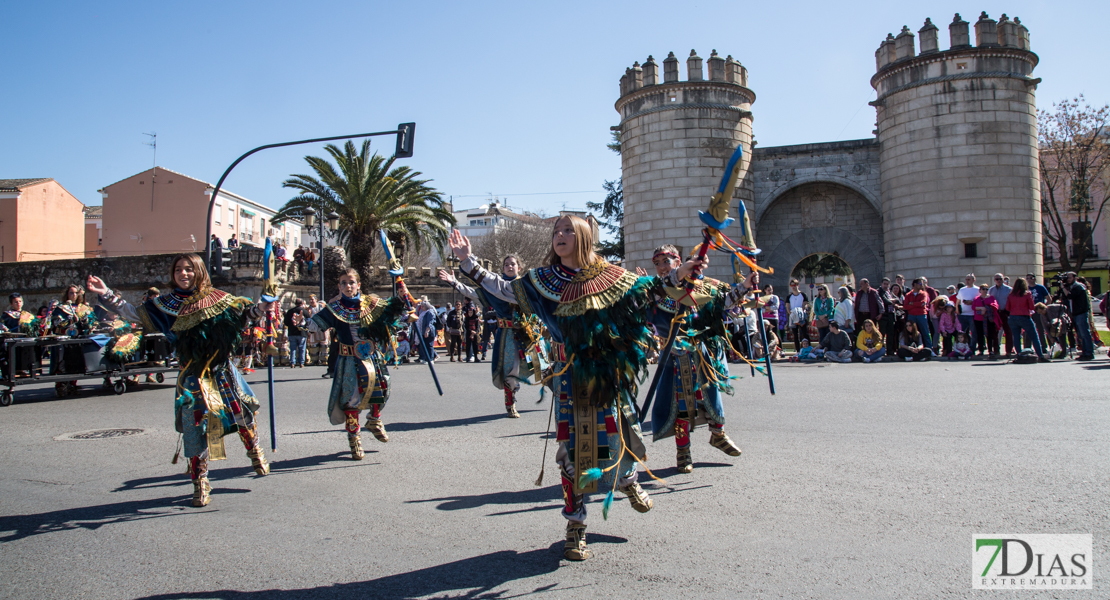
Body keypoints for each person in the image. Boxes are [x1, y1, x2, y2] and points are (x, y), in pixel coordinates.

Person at [449, 215, 658, 561]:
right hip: (569, 378)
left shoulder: (613, 276)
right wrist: (468, 263)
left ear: (584, 237)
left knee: (619, 434)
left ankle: (627, 478)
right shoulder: (542, 280)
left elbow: (650, 298)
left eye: (567, 231)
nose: (559, 236)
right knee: (572, 453)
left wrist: (683, 276)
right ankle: (575, 526)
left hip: (607, 374)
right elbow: (503, 290)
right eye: (556, 232)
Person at [88, 254, 271, 507]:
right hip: (191, 376)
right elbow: (132, 313)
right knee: (195, 429)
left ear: (198, 271)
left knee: (240, 415)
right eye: (178, 269)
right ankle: (200, 483)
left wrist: (262, 308)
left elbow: (242, 316)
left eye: (188, 269)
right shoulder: (163, 305)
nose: (183, 274)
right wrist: (106, 293)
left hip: (221, 370)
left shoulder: (218, 298)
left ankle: (255, 453)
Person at [644, 244, 744, 474]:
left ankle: (718, 434)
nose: (660, 267)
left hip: (701, 355)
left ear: (678, 261)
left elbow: (724, 302)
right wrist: (679, 273)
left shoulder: (701, 286)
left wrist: (746, 286)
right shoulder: (657, 290)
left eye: (665, 262)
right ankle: (683, 453)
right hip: (675, 358)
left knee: (710, 398)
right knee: (680, 409)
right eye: (657, 263)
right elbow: (656, 294)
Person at [301, 268, 409, 459]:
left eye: (351, 282)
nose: (348, 286)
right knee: (351, 398)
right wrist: (301, 322)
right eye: (343, 283)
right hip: (349, 359)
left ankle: (374, 420)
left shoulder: (372, 303)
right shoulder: (334, 309)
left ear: (358, 284)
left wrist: (403, 304)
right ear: (339, 286)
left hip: (371, 357)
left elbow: (392, 314)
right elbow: (315, 325)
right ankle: (354, 439)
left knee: (382, 387)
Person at [440, 254, 542, 418]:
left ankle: (560, 396)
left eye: (513, 264)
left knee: (541, 365)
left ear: (519, 268)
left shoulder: (526, 286)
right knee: (510, 369)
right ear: (502, 269)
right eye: (506, 264)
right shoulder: (494, 288)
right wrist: (454, 282)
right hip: (507, 335)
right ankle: (510, 403)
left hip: (527, 333)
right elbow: (472, 293)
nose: (509, 266)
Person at [1005, 276, 1047, 362]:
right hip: (1024, 316)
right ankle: (1040, 355)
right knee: (1034, 337)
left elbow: (1007, 308)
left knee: (1016, 337)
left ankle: (1019, 355)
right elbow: (1031, 307)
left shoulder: (1011, 295)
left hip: (1013, 317)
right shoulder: (1027, 294)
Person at [1063, 272, 1095, 360]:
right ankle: (1085, 352)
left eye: (1069, 277)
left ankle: (1089, 353)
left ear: (1074, 277)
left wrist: (1063, 288)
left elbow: (1070, 296)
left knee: (1084, 333)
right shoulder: (1072, 287)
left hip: (1081, 312)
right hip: (1075, 313)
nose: (1068, 279)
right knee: (1080, 334)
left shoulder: (1078, 287)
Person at [971, 284, 1002, 359]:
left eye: (986, 289)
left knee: (989, 335)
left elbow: (996, 306)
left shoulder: (991, 298)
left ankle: (990, 350)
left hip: (989, 319)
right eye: (983, 289)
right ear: (980, 290)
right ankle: (981, 350)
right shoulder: (977, 298)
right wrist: (981, 308)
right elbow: (973, 307)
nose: (985, 291)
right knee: (980, 335)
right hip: (978, 319)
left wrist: (988, 306)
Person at [988, 273, 1014, 357]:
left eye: (1000, 279)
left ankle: (1009, 351)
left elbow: (1012, 302)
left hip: (1005, 312)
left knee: (1008, 332)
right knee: (995, 332)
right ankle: (996, 351)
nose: (999, 281)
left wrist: (1009, 312)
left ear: (1003, 279)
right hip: (995, 313)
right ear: (994, 280)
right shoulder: (991, 290)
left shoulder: (1009, 289)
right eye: (997, 279)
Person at [903, 279, 933, 351]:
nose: (922, 285)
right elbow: (906, 306)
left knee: (925, 332)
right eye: (920, 284)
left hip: (921, 315)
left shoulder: (924, 294)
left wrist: (912, 303)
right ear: (915, 285)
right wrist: (917, 304)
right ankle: (912, 348)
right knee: (911, 332)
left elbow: (923, 304)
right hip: (911, 315)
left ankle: (929, 349)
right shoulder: (908, 295)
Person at [956, 274, 980, 350]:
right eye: (966, 279)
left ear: (974, 280)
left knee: (974, 332)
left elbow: (980, 301)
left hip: (973, 314)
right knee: (962, 332)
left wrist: (972, 302)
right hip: (963, 314)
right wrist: (957, 311)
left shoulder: (977, 289)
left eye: (969, 279)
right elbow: (958, 301)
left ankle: (972, 347)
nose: (967, 281)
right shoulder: (962, 290)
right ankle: (963, 347)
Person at [284, 298, 307, 367]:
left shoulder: (290, 311)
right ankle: (301, 362)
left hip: (292, 332)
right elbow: (309, 321)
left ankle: (292, 362)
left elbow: (286, 322)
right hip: (302, 332)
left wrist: (291, 325)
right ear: (302, 303)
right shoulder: (305, 312)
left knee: (293, 348)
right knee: (302, 348)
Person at [786, 279, 808, 349]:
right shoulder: (789, 297)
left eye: (794, 285)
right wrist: (793, 316)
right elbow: (788, 307)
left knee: (805, 334)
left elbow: (805, 305)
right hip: (793, 317)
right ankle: (798, 350)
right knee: (795, 335)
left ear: (798, 286)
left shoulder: (803, 295)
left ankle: (807, 348)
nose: (793, 287)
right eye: (791, 285)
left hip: (802, 317)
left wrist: (799, 316)